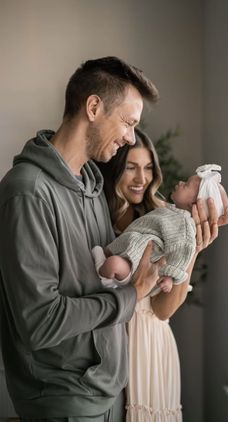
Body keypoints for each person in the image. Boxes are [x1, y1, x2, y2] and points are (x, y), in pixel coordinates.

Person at [0, 56, 167, 421]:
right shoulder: (27, 192)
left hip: (108, 397)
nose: (131, 138)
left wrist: (181, 244)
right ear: (93, 107)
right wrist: (130, 295)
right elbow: (40, 322)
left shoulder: (92, 186)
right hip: (64, 403)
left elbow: (107, 275)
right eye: (127, 122)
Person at [96, 128, 228, 421]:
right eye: (131, 167)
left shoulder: (166, 219)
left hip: (151, 344)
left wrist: (194, 249)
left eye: (147, 168)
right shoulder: (96, 219)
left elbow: (162, 308)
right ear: (113, 169)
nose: (141, 179)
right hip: (108, 339)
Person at [92, 164, 227, 295]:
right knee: (108, 257)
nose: (180, 182)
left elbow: (182, 250)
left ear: (194, 204)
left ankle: (104, 282)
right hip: (130, 245)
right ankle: (104, 269)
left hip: (137, 263)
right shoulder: (171, 211)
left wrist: (169, 277)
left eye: (186, 185)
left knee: (113, 264)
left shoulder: (184, 225)